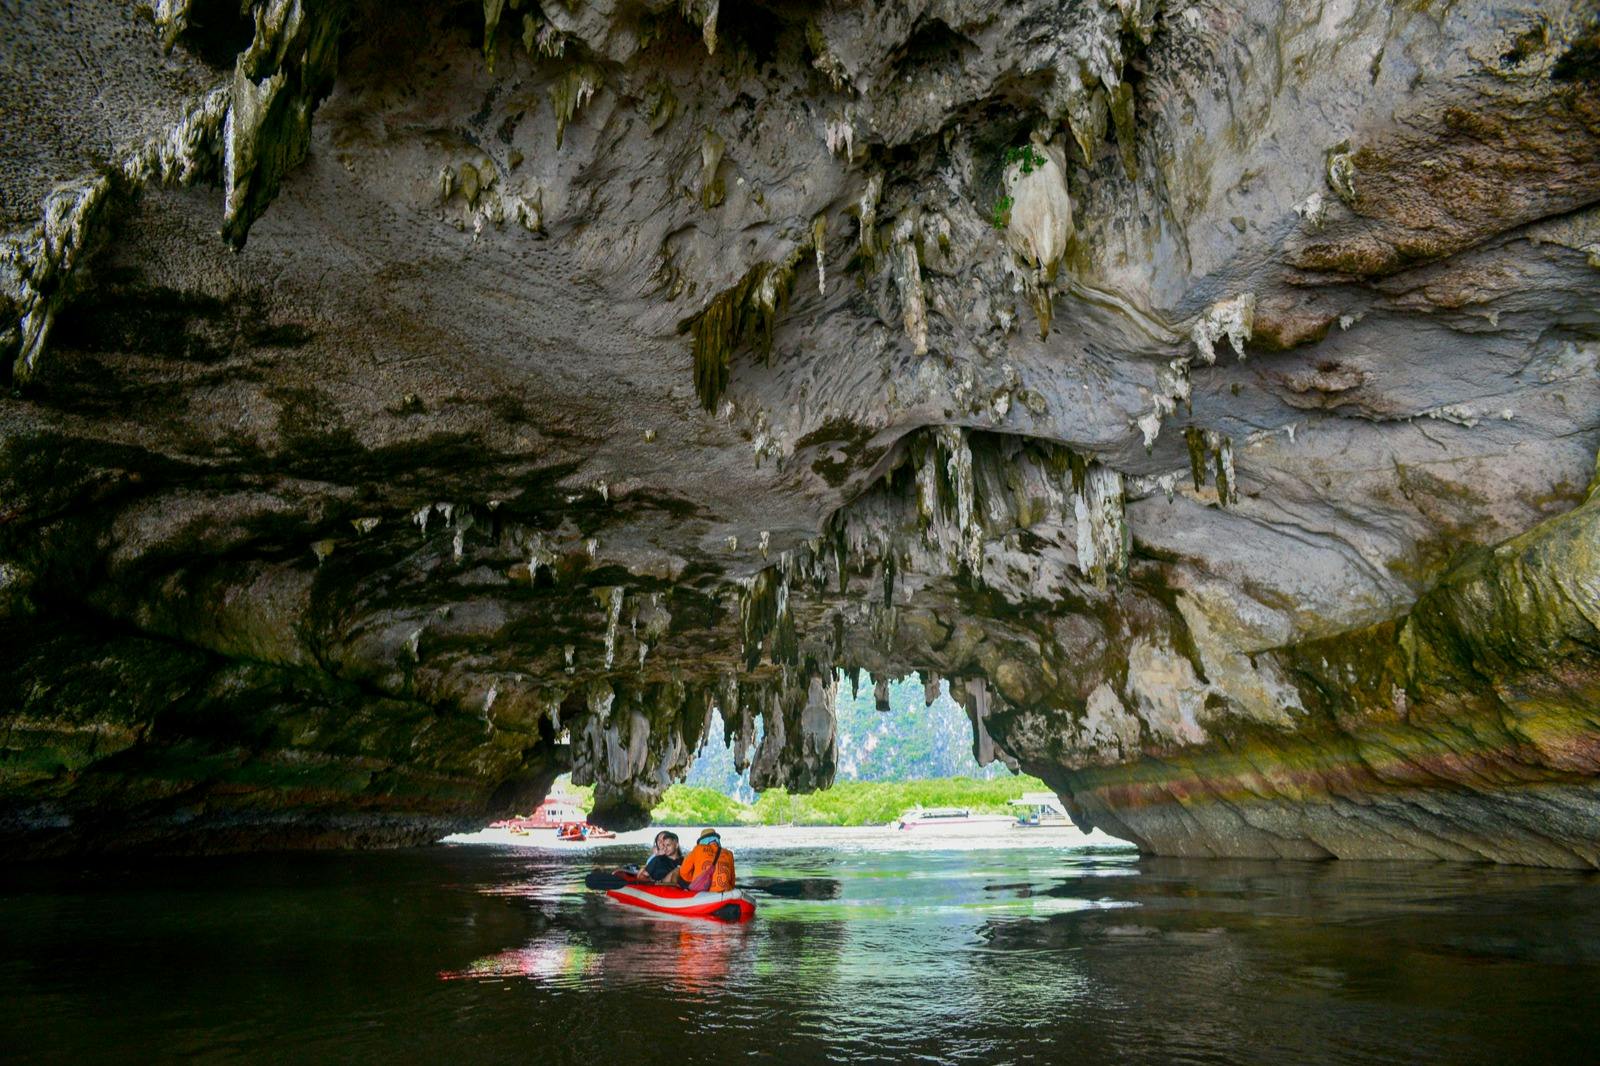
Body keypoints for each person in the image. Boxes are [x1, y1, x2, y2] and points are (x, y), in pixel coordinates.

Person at [674, 827, 736, 892]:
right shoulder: (729, 853)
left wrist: (695, 880)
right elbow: (732, 880)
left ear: (702, 841)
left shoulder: (698, 849)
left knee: (678, 873)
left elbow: (683, 872)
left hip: (702, 894)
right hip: (725, 893)